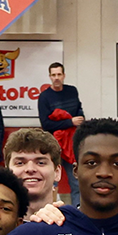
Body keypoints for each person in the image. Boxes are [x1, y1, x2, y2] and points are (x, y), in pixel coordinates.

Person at [37, 62, 84, 201]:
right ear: (49, 77)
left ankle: (78, 210)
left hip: (72, 143)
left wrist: (79, 120)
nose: (56, 78)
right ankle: (50, 209)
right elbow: (46, 124)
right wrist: (70, 122)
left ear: (64, 75)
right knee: (52, 181)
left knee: (76, 181)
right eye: (53, 75)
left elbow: (79, 111)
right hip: (53, 145)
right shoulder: (44, 97)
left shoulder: (72, 91)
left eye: (59, 74)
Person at [4, 128, 66, 214]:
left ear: (57, 172)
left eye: (40, 163)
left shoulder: (73, 225)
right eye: (20, 163)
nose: (30, 169)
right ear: (7, 172)